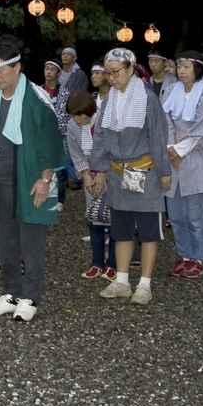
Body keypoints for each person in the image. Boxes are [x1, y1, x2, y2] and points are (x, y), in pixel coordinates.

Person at [0, 40, 65, 321]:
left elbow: (51, 138)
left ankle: (30, 297)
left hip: (31, 176)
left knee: (32, 239)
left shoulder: (36, 98)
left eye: (1, 70)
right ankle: (10, 292)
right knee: (7, 239)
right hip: (1, 177)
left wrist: (46, 178)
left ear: (17, 67)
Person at [90, 48, 172, 305]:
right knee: (121, 230)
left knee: (148, 231)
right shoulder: (109, 101)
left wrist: (164, 171)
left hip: (145, 172)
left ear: (130, 69)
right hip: (117, 173)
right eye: (108, 73)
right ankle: (122, 281)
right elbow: (100, 136)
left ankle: (144, 285)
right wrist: (99, 168)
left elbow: (158, 136)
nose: (112, 78)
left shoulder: (147, 99)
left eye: (116, 72)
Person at [160, 51, 203, 279]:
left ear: (197, 68)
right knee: (175, 213)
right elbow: (164, 119)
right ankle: (183, 255)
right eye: (179, 66)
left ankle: (197, 257)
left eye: (186, 66)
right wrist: (170, 147)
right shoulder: (171, 89)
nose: (182, 71)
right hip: (171, 153)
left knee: (195, 213)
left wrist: (178, 149)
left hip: (194, 153)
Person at [65, 89, 116, 280]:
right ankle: (96, 262)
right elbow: (75, 151)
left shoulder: (106, 119)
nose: (76, 119)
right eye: (73, 115)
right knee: (95, 215)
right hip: (91, 175)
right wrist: (85, 174)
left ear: (89, 110)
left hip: (112, 174)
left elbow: (115, 148)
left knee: (114, 217)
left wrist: (104, 172)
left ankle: (113, 264)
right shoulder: (72, 125)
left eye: (80, 115)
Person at [40, 59, 71, 210]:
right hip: (40, 136)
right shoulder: (37, 90)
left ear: (58, 73)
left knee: (60, 170)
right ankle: (43, 195)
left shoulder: (65, 93)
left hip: (59, 136)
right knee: (42, 167)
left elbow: (67, 116)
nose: (49, 71)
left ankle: (60, 200)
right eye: (47, 68)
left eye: (52, 69)